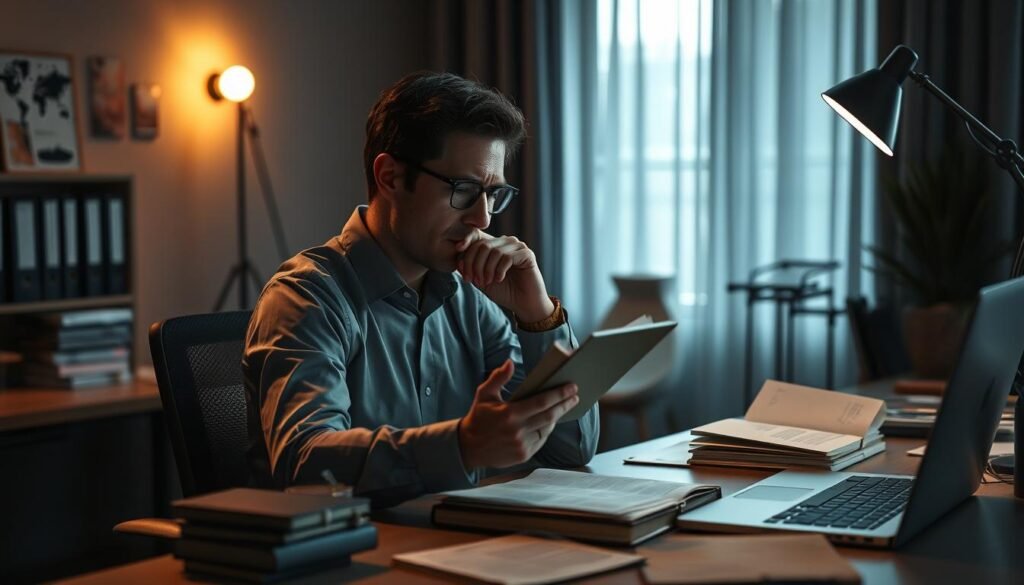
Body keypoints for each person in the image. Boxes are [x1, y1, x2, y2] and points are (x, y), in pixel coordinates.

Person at [243, 71, 599, 505]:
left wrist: (536, 313)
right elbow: (304, 463)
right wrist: (461, 446)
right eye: (465, 190)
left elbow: (571, 448)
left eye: (493, 195)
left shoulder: (468, 298)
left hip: (451, 547)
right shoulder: (306, 298)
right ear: (390, 177)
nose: (483, 220)